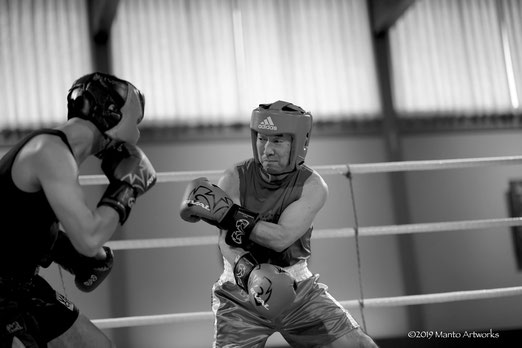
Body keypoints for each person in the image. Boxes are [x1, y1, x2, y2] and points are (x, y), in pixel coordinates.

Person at [180, 101, 378, 347]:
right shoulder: (235, 176)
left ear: (299, 143)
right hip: (239, 293)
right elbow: (226, 240)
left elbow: (281, 237)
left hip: (298, 289)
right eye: (262, 139)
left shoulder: (313, 186)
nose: (267, 149)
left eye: (277, 141)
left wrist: (229, 214)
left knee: (361, 345)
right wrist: (249, 273)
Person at [0, 72, 157, 348]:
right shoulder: (50, 152)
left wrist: (72, 253)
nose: (137, 134)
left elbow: (20, 221)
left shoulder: (60, 154)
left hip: (22, 285)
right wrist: (128, 186)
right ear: (112, 116)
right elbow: (88, 239)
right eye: (136, 121)